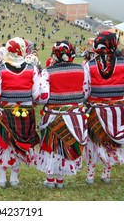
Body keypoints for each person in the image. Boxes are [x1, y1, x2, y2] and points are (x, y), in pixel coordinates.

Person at [0, 37, 49, 188]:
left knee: (4, 144)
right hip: (25, 114)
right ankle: (14, 177)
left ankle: (2, 178)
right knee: (21, 144)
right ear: (23, 50)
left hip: (4, 113)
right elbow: (38, 96)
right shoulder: (32, 70)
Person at [36, 40, 90, 189]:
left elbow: (44, 96)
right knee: (67, 145)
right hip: (74, 116)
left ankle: (50, 179)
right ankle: (60, 180)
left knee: (51, 146)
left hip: (53, 115)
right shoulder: (81, 70)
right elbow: (85, 92)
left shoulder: (48, 71)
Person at [84, 31, 124, 184]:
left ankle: (90, 174)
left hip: (96, 109)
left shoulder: (89, 65)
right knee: (111, 141)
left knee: (94, 140)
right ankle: (106, 173)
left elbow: (85, 90)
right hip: (117, 110)